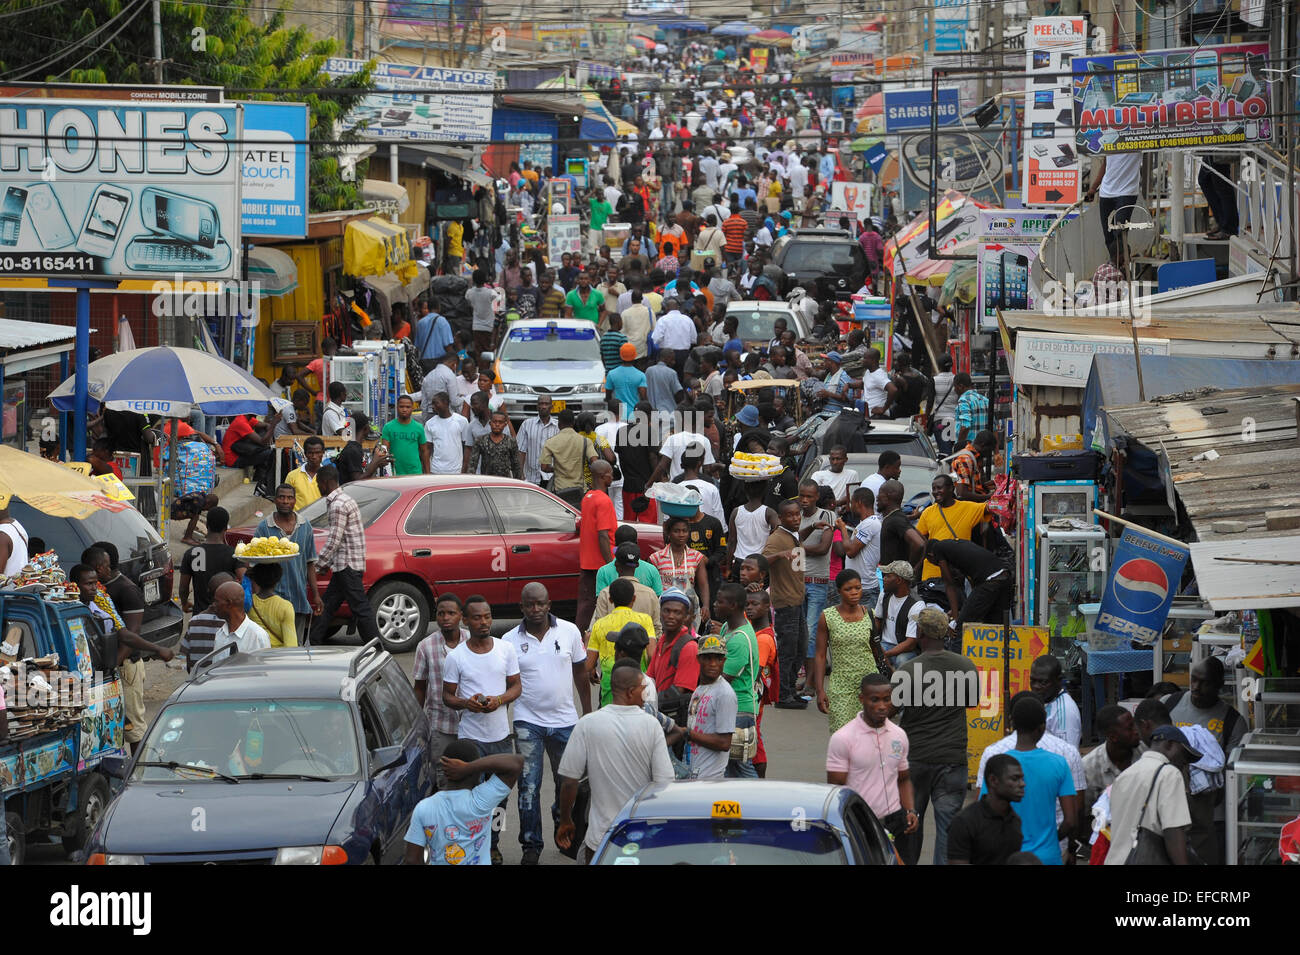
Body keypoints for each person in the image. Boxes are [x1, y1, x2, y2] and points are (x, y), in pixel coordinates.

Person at [502, 582, 589, 865]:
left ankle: (562, 824)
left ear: (549, 604)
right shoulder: (508, 640)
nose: (536, 609)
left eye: (541, 603)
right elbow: (506, 683)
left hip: (566, 721)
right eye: (530, 604)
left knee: (568, 783)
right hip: (528, 722)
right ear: (522, 607)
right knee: (528, 786)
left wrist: (586, 713)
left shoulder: (569, 631)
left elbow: (580, 674)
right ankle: (531, 845)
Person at [556, 663, 675, 863]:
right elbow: (664, 783)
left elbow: (569, 781)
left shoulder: (587, 723)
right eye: (642, 689)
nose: (645, 694)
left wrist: (566, 820)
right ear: (630, 692)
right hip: (639, 836)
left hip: (600, 840)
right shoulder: (651, 725)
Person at [892, 608, 979, 866]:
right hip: (952, 759)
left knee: (909, 824)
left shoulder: (907, 670)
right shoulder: (965, 666)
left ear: (920, 633)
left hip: (915, 759)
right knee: (948, 828)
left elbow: (892, 709)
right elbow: (971, 701)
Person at [442, 595, 521, 866]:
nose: (484, 622)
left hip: (500, 738)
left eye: (487, 616)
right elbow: (447, 697)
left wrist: (499, 700)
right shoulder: (456, 657)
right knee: (469, 797)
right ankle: (469, 846)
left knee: (499, 799)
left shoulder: (505, 649)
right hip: (471, 741)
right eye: (477, 617)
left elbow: (516, 686)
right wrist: (468, 703)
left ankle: (493, 845)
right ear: (466, 620)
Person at [981, 696, 1077, 865]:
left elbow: (983, 813)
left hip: (1007, 856)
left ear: (1013, 724)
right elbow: (1070, 820)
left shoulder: (998, 764)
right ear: (1042, 728)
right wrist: (1051, 841)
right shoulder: (1059, 763)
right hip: (1047, 856)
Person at [403, 743, 524, 866]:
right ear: (476, 773)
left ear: (444, 771)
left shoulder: (424, 807)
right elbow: (517, 762)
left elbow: (411, 860)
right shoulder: (482, 800)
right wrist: (469, 767)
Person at [826, 673, 917, 836]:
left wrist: (910, 810)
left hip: (895, 821)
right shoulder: (842, 738)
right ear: (862, 699)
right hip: (859, 823)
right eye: (875, 700)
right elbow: (836, 790)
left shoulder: (899, 735)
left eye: (887, 699)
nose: (882, 706)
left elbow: (903, 779)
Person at [1104, 724, 1198, 866]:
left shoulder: (1123, 776)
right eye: (1183, 755)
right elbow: (1173, 830)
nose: (1184, 763)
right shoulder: (1170, 773)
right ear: (1169, 744)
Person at [309, 466, 380, 647]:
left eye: (319, 483)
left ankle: (376, 647)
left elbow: (335, 539)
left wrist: (317, 566)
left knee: (360, 607)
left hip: (347, 564)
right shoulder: (344, 499)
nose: (318, 487)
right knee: (329, 603)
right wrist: (327, 564)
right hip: (346, 563)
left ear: (325, 482)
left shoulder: (338, 505)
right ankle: (314, 641)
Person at [255, 484, 324, 643]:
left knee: (295, 648)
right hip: (272, 601)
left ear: (294, 501)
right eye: (281, 497)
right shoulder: (264, 528)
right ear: (275, 500)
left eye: (289, 498)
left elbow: (310, 563)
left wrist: (315, 595)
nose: (285, 501)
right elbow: (255, 567)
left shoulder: (305, 526)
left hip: (298, 599)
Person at [412, 593, 469, 789]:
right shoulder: (425, 646)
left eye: (451, 613)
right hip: (440, 725)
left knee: (472, 776)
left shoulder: (472, 640)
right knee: (444, 777)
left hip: (471, 724)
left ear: (461, 615)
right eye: (441, 613)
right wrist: (418, 724)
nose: (445, 618)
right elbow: (420, 687)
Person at [814, 568, 880, 734]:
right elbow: (821, 655)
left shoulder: (870, 614)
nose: (854, 592)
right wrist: (820, 689)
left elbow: (875, 649)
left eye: (857, 588)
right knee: (841, 735)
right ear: (839, 591)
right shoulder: (827, 617)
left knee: (868, 736)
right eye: (848, 589)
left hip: (868, 684)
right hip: (841, 685)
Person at [708, 582, 760, 777]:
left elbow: (720, 677)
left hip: (740, 710)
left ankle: (758, 804)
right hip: (731, 707)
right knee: (730, 767)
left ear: (734, 606)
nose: (714, 605)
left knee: (742, 766)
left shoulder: (739, 639)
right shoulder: (727, 629)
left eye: (719, 602)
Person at [763, 499, 808, 709]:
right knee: (788, 652)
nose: (795, 518)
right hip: (785, 604)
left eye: (797, 514)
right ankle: (783, 695)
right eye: (790, 515)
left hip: (797, 601)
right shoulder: (777, 538)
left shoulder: (793, 536)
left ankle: (789, 690)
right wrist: (779, 555)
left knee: (800, 649)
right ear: (781, 519)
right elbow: (760, 561)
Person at [927, 537, 1012, 644]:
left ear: (931, 555)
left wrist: (956, 619)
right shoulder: (956, 547)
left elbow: (949, 585)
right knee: (996, 627)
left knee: (961, 629)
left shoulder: (937, 549)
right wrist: (966, 608)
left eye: (935, 563)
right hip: (1005, 575)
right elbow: (974, 587)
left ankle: (958, 657)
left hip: (990, 581)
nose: (938, 565)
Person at [948, 754, 1026, 866]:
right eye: (1015, 779)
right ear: (993, 780)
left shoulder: (1015, 821)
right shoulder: (964, 822)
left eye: (1022, 778)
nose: (1022, 784)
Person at [683, 635, 738, 781]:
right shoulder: (700, 689)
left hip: (710, 779)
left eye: (718, 659)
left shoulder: (725, 694)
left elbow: (724, 742)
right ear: (699, 659)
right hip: (694, 772)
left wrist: (687, 733)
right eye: (708, 658)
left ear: (724, 661)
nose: (713, 663)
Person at [915, 476, 988, 580]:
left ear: (951, 488)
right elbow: (920, 544)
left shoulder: (968, 507)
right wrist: (917, 568)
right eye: (933, 488)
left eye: (939, 488)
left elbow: (990, 507)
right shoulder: (927, 513)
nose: (935, 492)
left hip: (958, 574)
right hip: (932, 575)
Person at [575, 459, 617, 634]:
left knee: (586, 605)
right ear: (603, 476)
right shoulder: (604, 501)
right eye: (610, 474)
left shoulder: (588, 497)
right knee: (603, 605)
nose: (612, 477)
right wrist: (610, 565)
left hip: (587, 562)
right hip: (600, 564)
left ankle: (580, 639)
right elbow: (603, 535)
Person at [177, 507, 242, 614]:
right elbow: (243, 580)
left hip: (200, 615)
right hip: (226, 617)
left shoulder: (192, 553)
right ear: (226, 527)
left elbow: (184, 588)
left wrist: (184, 603)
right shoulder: (234, 554)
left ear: (207, 525)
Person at [1084, 151, 1142, 268]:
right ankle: (1115, 268)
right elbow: (1106, 164)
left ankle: (1123, 266)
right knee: (1108, 236)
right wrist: (1093, 188)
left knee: (1120, 234)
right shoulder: (1111, 140)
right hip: (1106, 193)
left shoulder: (1136, 139)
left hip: (1127, 192)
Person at [1083, 704, 1143, 815]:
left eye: (1135, 724)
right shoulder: (1090, 767)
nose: (1136, 731)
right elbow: (1087, 813)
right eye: (1130, 728)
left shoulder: (1146, 753)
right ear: (1113, 736)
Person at [874, 560, 929, 669]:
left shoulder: (917, 605)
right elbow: (878, 620)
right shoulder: (884, 594)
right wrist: (874, 643)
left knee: (902, 660)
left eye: (888, 576)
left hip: (905, 649)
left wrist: (886, 654)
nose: (883, 579)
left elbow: (911, 642)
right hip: (884, 643)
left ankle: (902, 685)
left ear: (899, 580)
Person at [540, 408, 598, 505]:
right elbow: (596, 463)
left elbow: (544, 467)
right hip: (580, 490)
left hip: (559, 490)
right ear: (573, 423)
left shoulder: (550, 442)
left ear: (559, 424)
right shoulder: (585, 441)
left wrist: (556, 468)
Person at [179, 572, 235, 671]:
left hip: (198, 681)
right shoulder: (233, 624)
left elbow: (187, 659)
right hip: (223, 680)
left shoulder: (195, 622)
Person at [1030, 655, 1082, 748]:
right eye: (1032, 681)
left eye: (1043, 682)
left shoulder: (1065, 712)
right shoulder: (1041, 700)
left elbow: (1066, 754)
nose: (1036, 687)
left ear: (1059, 680)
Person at [245, 562, 297, 648]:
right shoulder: (285, 606)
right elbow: (291, 645)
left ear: (256, 579)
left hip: (254, 655)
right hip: (276, 658)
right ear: (278, 579)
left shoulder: (248, 602)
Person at [212, 579, 271, 655]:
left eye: (217, 601)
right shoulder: (220, 634)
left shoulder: (257, 636)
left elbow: (263, 666)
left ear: (229, 604)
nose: (213, 605)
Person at [423, 392, 473, 476]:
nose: (433, 407)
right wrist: (427, 472)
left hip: (456, 470)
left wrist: (464, 470)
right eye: (432, 404)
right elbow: (427, 449)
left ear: (446, 403)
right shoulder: (430, 423)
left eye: (436, 403)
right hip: (436, 470)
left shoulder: (461, 421)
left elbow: (467, 447)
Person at [381, 394, 430, 476]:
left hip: (415, 473)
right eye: (401, 406)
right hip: (395, 473)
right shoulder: (388, 427)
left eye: (408, 407)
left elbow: (424, 451)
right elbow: (384, 452)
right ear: (397, 407)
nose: (404, 409)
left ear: (412, 408)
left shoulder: (419, 427)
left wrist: (428, 473)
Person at [516, 395, 560, 486]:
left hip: (552, 479)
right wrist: (520, 475)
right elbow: (521, 451)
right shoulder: (527, 424)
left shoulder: (558, 426)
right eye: (541, 404)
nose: (544, 406)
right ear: (537, 406)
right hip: (530, 478)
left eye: (546, 404)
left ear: (551, 407)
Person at [469, 410, 523, 479]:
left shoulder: (511, 441)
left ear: (505, 424)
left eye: (500, 422)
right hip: (486, 481)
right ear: (490, 423)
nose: (497, 424)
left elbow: (516, 465)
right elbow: (473, 464)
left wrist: (518, 483)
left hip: (505, 482)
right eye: (494, 422)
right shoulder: (481, 440)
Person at [605, 342, 649, 421]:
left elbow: (608, 397)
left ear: (620, 356)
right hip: (634, 415)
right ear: (634, 356)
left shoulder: (612, 374)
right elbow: (643, 398)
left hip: (618, 416)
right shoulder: (641, 375)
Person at [952, 430, 997, 503]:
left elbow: (971, 485)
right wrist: (989, 496)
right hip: (968, 507)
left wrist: (985, 485)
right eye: (990, 450)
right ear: (983, 445)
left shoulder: (976, 457)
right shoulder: (965, 460)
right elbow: (962, 494)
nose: (990, 453)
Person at [285, 435, 326, 511]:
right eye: (310, 453)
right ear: (305, 453)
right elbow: (286, 501)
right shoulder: (292, 476)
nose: (314, 456)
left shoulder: (328, 476)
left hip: (320, 519)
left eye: (317, 453)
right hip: (298, 520)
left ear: (323, 453)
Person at [952, 373, 990, 446]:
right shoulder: (985, 400)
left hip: (970, 449)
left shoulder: (964, 401)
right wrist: (996, 452)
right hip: (985, 448)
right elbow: (994, 428)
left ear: (960, 386)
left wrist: (959, 447)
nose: (954, 390)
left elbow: (965, 426)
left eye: (955, 387)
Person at [465, 269, 497, 355]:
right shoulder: (490, 293)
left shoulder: (470, 293)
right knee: (487, 351)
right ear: (485, 279)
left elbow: (467, 297)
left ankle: (481, 367)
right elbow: (498, 298)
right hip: (488, 326)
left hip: (476, 327)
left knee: (478, 351)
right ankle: (485, 367)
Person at [644, 349, 685, 416]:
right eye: (672, 359)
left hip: (652, 413)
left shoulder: (649, 371)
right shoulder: (672, 373)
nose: (674, 362)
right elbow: (678, 393)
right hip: (669, 411)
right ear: (665, 358)